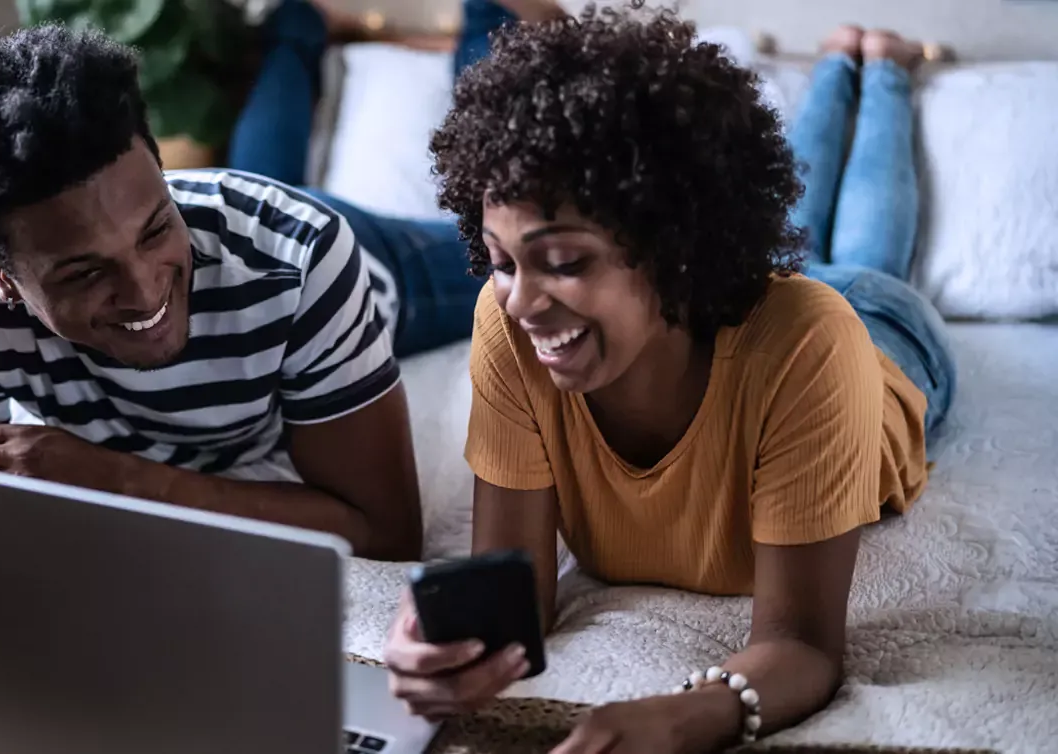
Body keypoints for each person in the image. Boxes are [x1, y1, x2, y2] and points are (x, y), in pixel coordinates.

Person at [380, 9, 956, 754]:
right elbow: (517, 588)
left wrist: (681, 715)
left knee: (868, 248)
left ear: (674, 252)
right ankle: (841, 66)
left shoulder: (812, 341)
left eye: (563, 263)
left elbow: (805, 646)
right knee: (805, 236)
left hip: (878, 332)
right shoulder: (513, 320)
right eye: (502, 260)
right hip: (736, 302)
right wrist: (444, 637)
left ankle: (879, 73)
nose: (520, 299)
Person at [0, 1, 535, 566]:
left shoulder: (301, 260)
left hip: (374, 269)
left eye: (156, 227)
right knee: (265, 167)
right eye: (86, 272)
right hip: (235, 236)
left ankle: (489, 13)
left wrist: (113, 481)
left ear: (162, 175)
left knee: (495, 214)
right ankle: (299, 20)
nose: (145, 289)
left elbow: (383, 535)